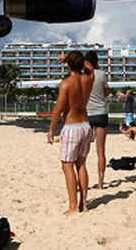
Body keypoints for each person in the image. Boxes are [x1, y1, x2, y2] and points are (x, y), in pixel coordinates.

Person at [47, 50, 93, 214]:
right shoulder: (88, 79)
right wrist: (70, 59)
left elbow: (58, 108)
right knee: (81, 164)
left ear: (68, 65)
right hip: (86, 125)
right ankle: (83, 204)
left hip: (72, 126)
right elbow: (89, 67)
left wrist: (52, 129)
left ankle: (73, 206)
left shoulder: (66, 83)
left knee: (67, 166)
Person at [84, 50, 110, 189]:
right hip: (101, 112)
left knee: (84, 151)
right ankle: (100, 183)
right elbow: (106, 92)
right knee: (101, 151)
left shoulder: (83, 75)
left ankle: (83, 181)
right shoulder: (101, 74)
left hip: (87, 113)